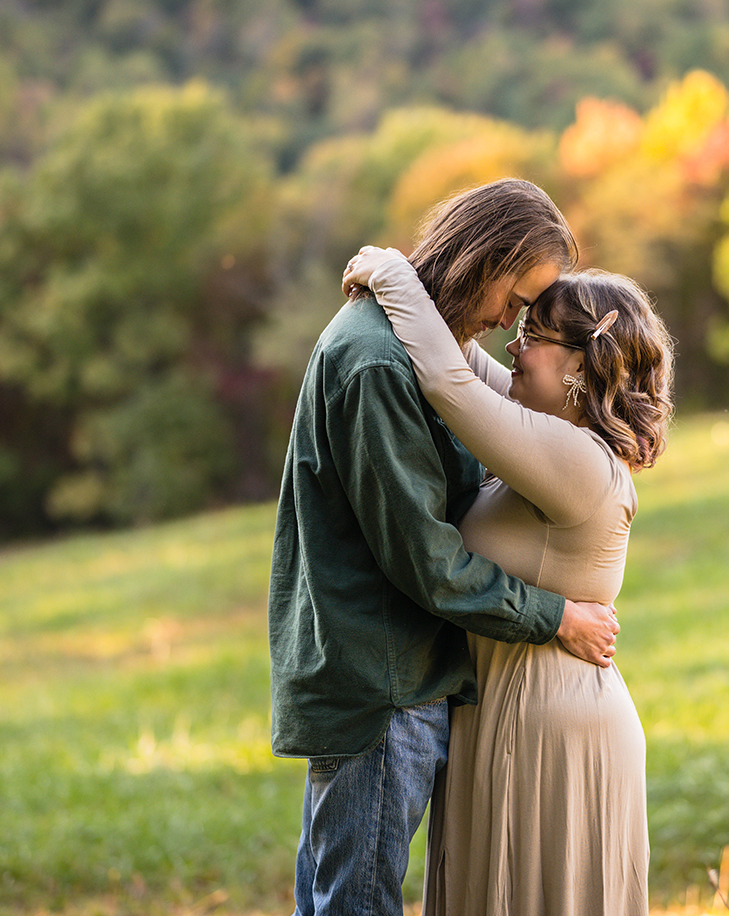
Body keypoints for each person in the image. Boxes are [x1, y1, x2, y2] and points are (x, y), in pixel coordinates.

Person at [268, 178, 621, 916]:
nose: (508, 324)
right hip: (385, 680)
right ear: (483, 260)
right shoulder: (378, 365)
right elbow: (428, 560)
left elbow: (467, 388)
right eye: (516, 302)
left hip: (392, 672)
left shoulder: (413, 347)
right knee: (354, 905)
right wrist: (555, 616)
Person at [342, 242, 675, 916]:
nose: (514, 347)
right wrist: (438, 278)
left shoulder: (578, 459)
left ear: (580, 363)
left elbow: (448, 382)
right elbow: (460, 355)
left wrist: (389, 270)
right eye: (517, 327)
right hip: (504, 717)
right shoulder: (548, 431)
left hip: (549, 736)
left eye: (533, 335)